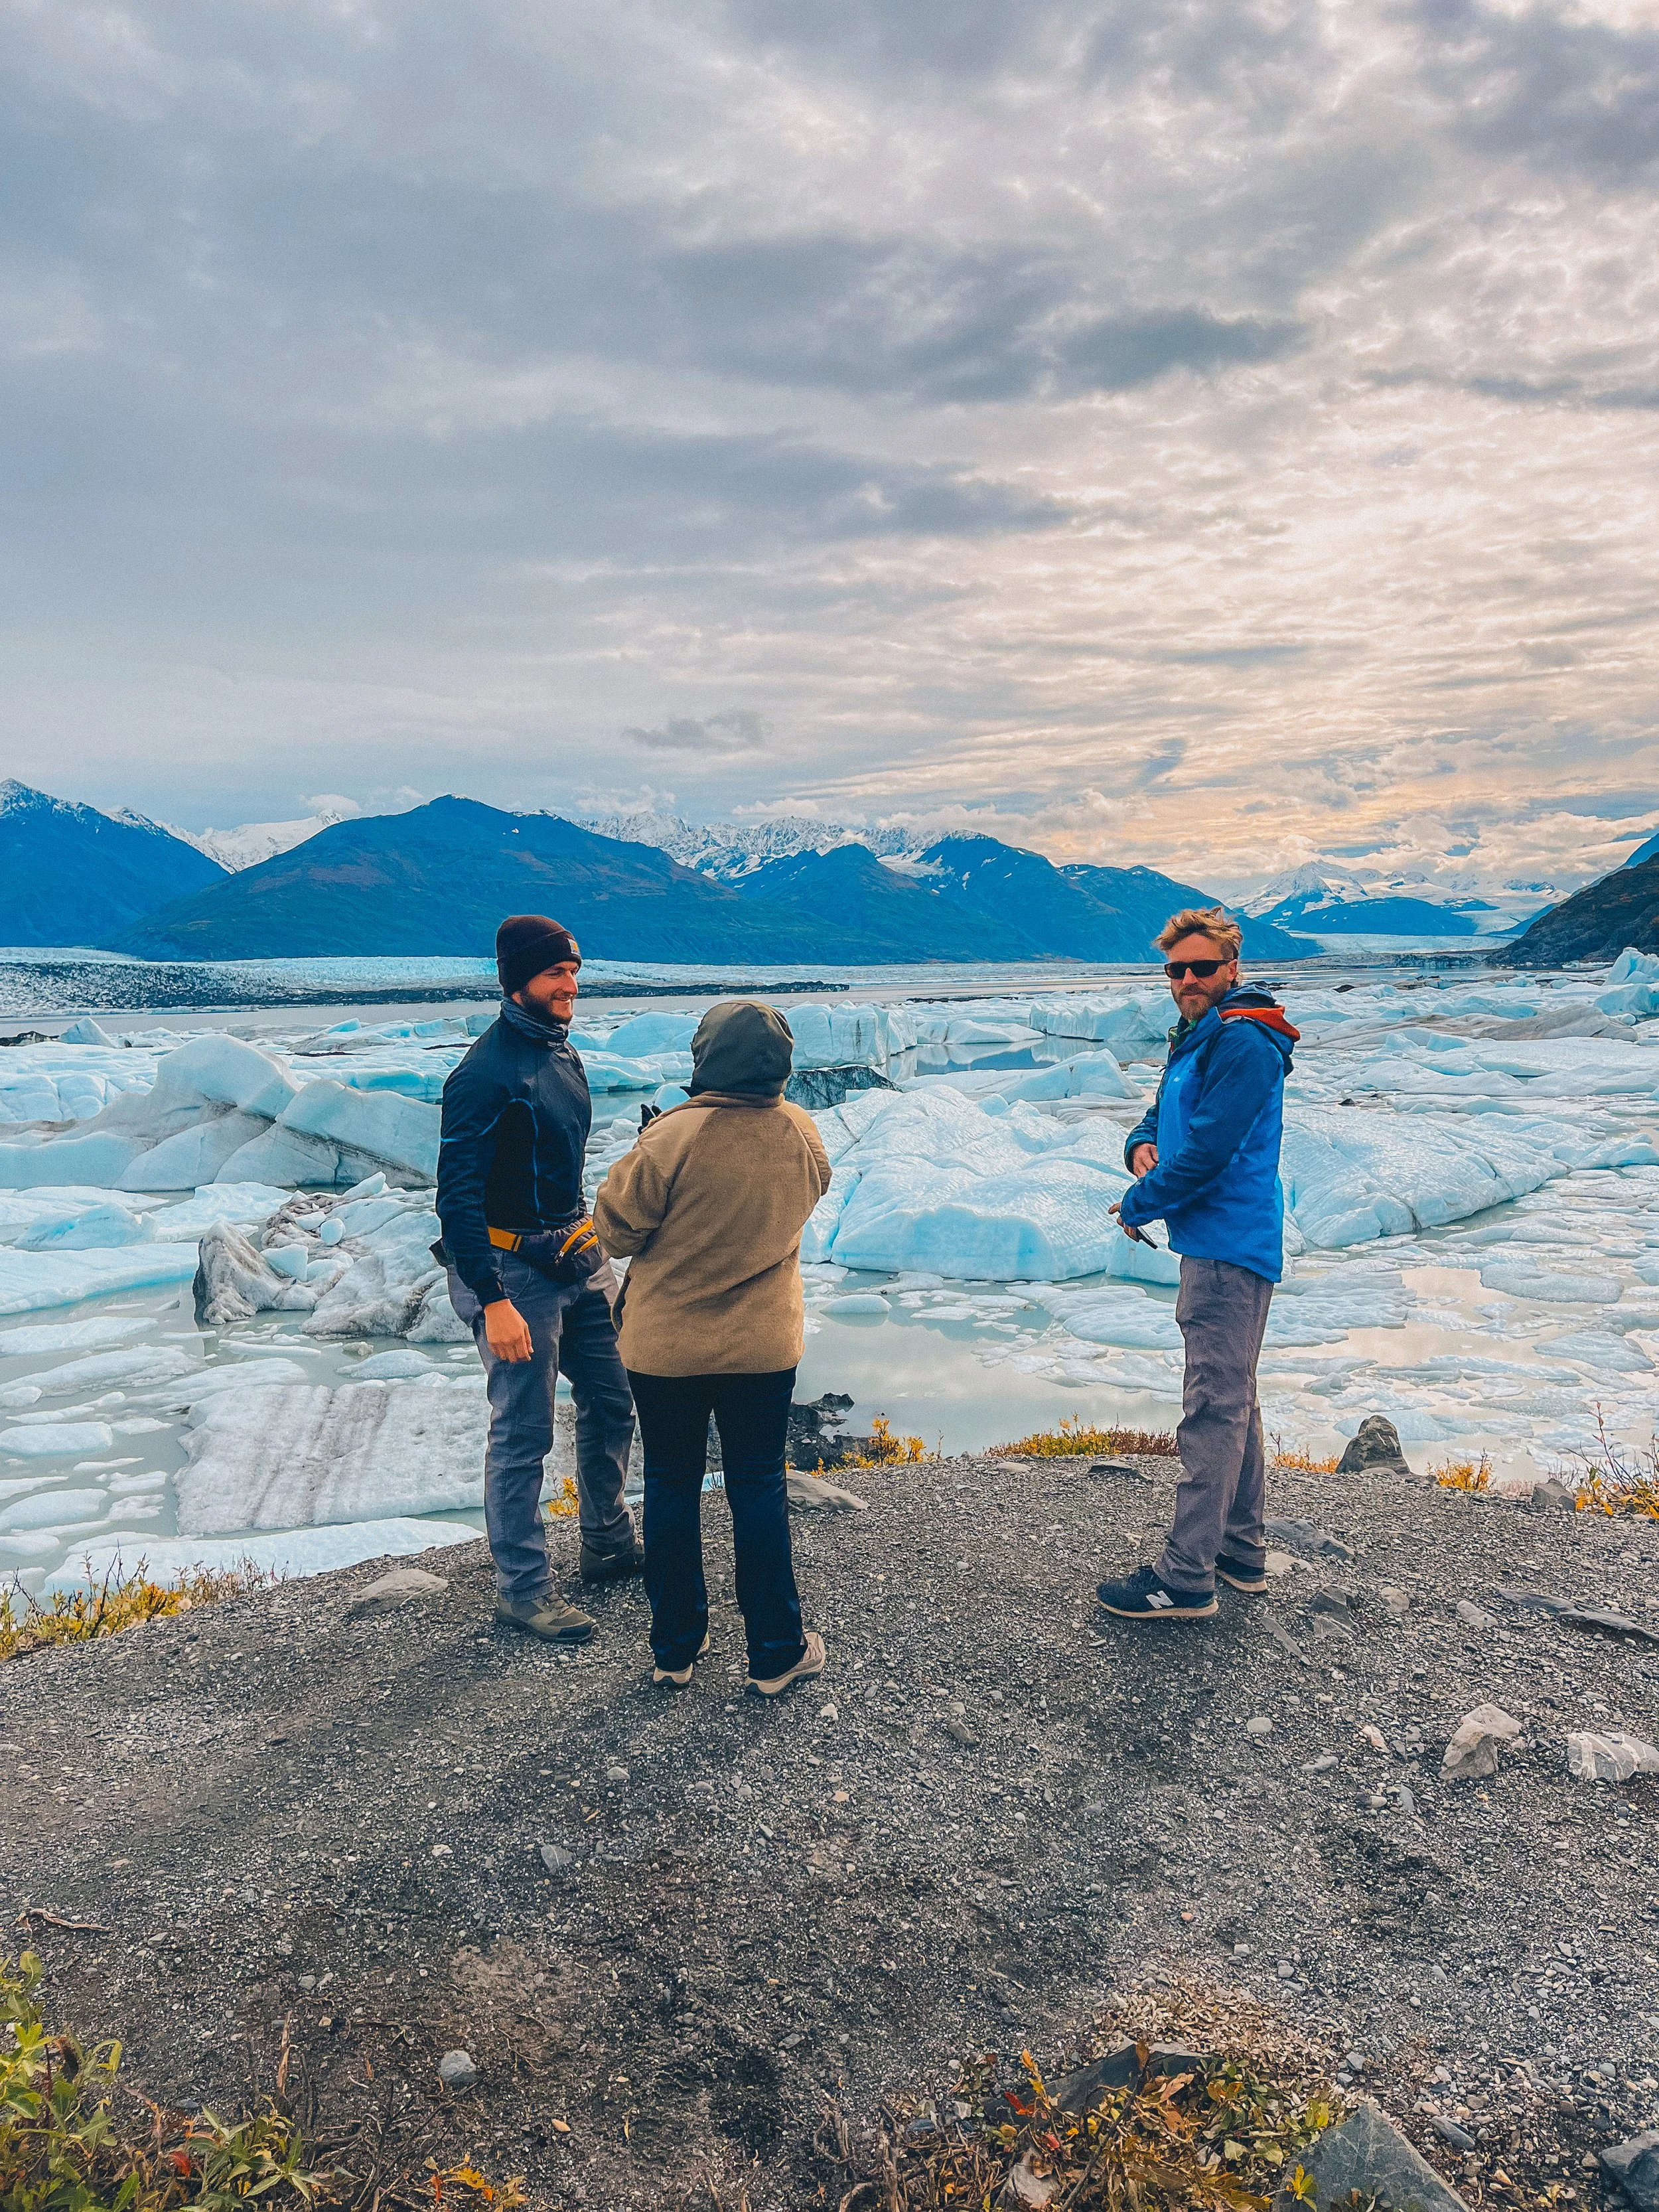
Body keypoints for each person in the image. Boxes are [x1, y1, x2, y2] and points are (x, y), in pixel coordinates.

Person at [592, 1000, 832, 1696]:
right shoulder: (799, 1131)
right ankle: (775, 1652)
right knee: (756, 1485)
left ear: (705, 1056)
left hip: (666, 1349)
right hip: (762, 1344)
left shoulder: (670, 1138)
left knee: (670, 1484)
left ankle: (675, 1649)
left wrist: (644, 1152)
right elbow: (805, 1200)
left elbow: (617, 1232)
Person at [436, 914, 639, 1645]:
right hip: (512, 1275)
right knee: (522, 1434)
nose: (571, 985)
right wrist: (492, 1300)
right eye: (556, 972)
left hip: (577, 1258)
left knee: (614, 1401)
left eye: (575, 971)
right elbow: (455, 1200)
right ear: (517, 980)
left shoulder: (562, 1058)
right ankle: (522, 1591)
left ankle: (608, 1542)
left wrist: (595, 1242)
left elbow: (563, 1174)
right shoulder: (484, 1075)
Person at [1096, 906, 1299, 1623]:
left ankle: (1184, 1578)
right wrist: (1139, 1147)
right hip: (1215, 1242)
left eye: (1200, 968)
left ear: (1231, 968)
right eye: (1175, 969)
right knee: (1234, 1394)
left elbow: (1210, 1153)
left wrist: (1138, 1200)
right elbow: (1160, 1117)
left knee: (1213, 1406)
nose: (1186, 979)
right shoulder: (1197, 1037)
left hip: (1226, 1244)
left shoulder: (1243, 1044)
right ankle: (1240, 1551)